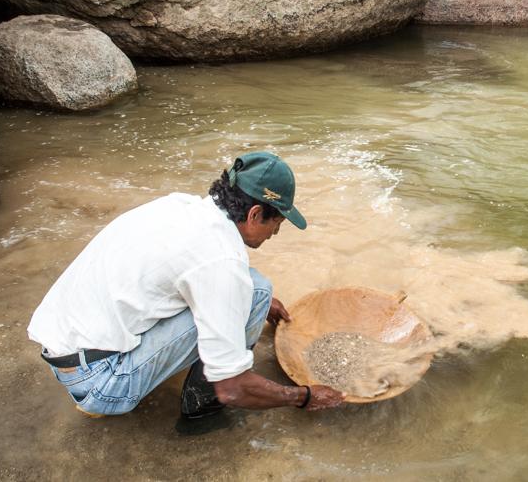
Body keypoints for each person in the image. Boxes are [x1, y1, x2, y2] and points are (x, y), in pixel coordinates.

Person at [27, 151, 345, 418]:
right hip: (102, 383)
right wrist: (302, 396)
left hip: (64, 353)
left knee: (252, 289)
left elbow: (198, 269)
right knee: (255, 291)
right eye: (277, 224)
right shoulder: (221, 263)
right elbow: (232, 388)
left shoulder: (180, 206)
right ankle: (201, 406)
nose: (275, 233)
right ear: (255, 214)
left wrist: (246, 297)